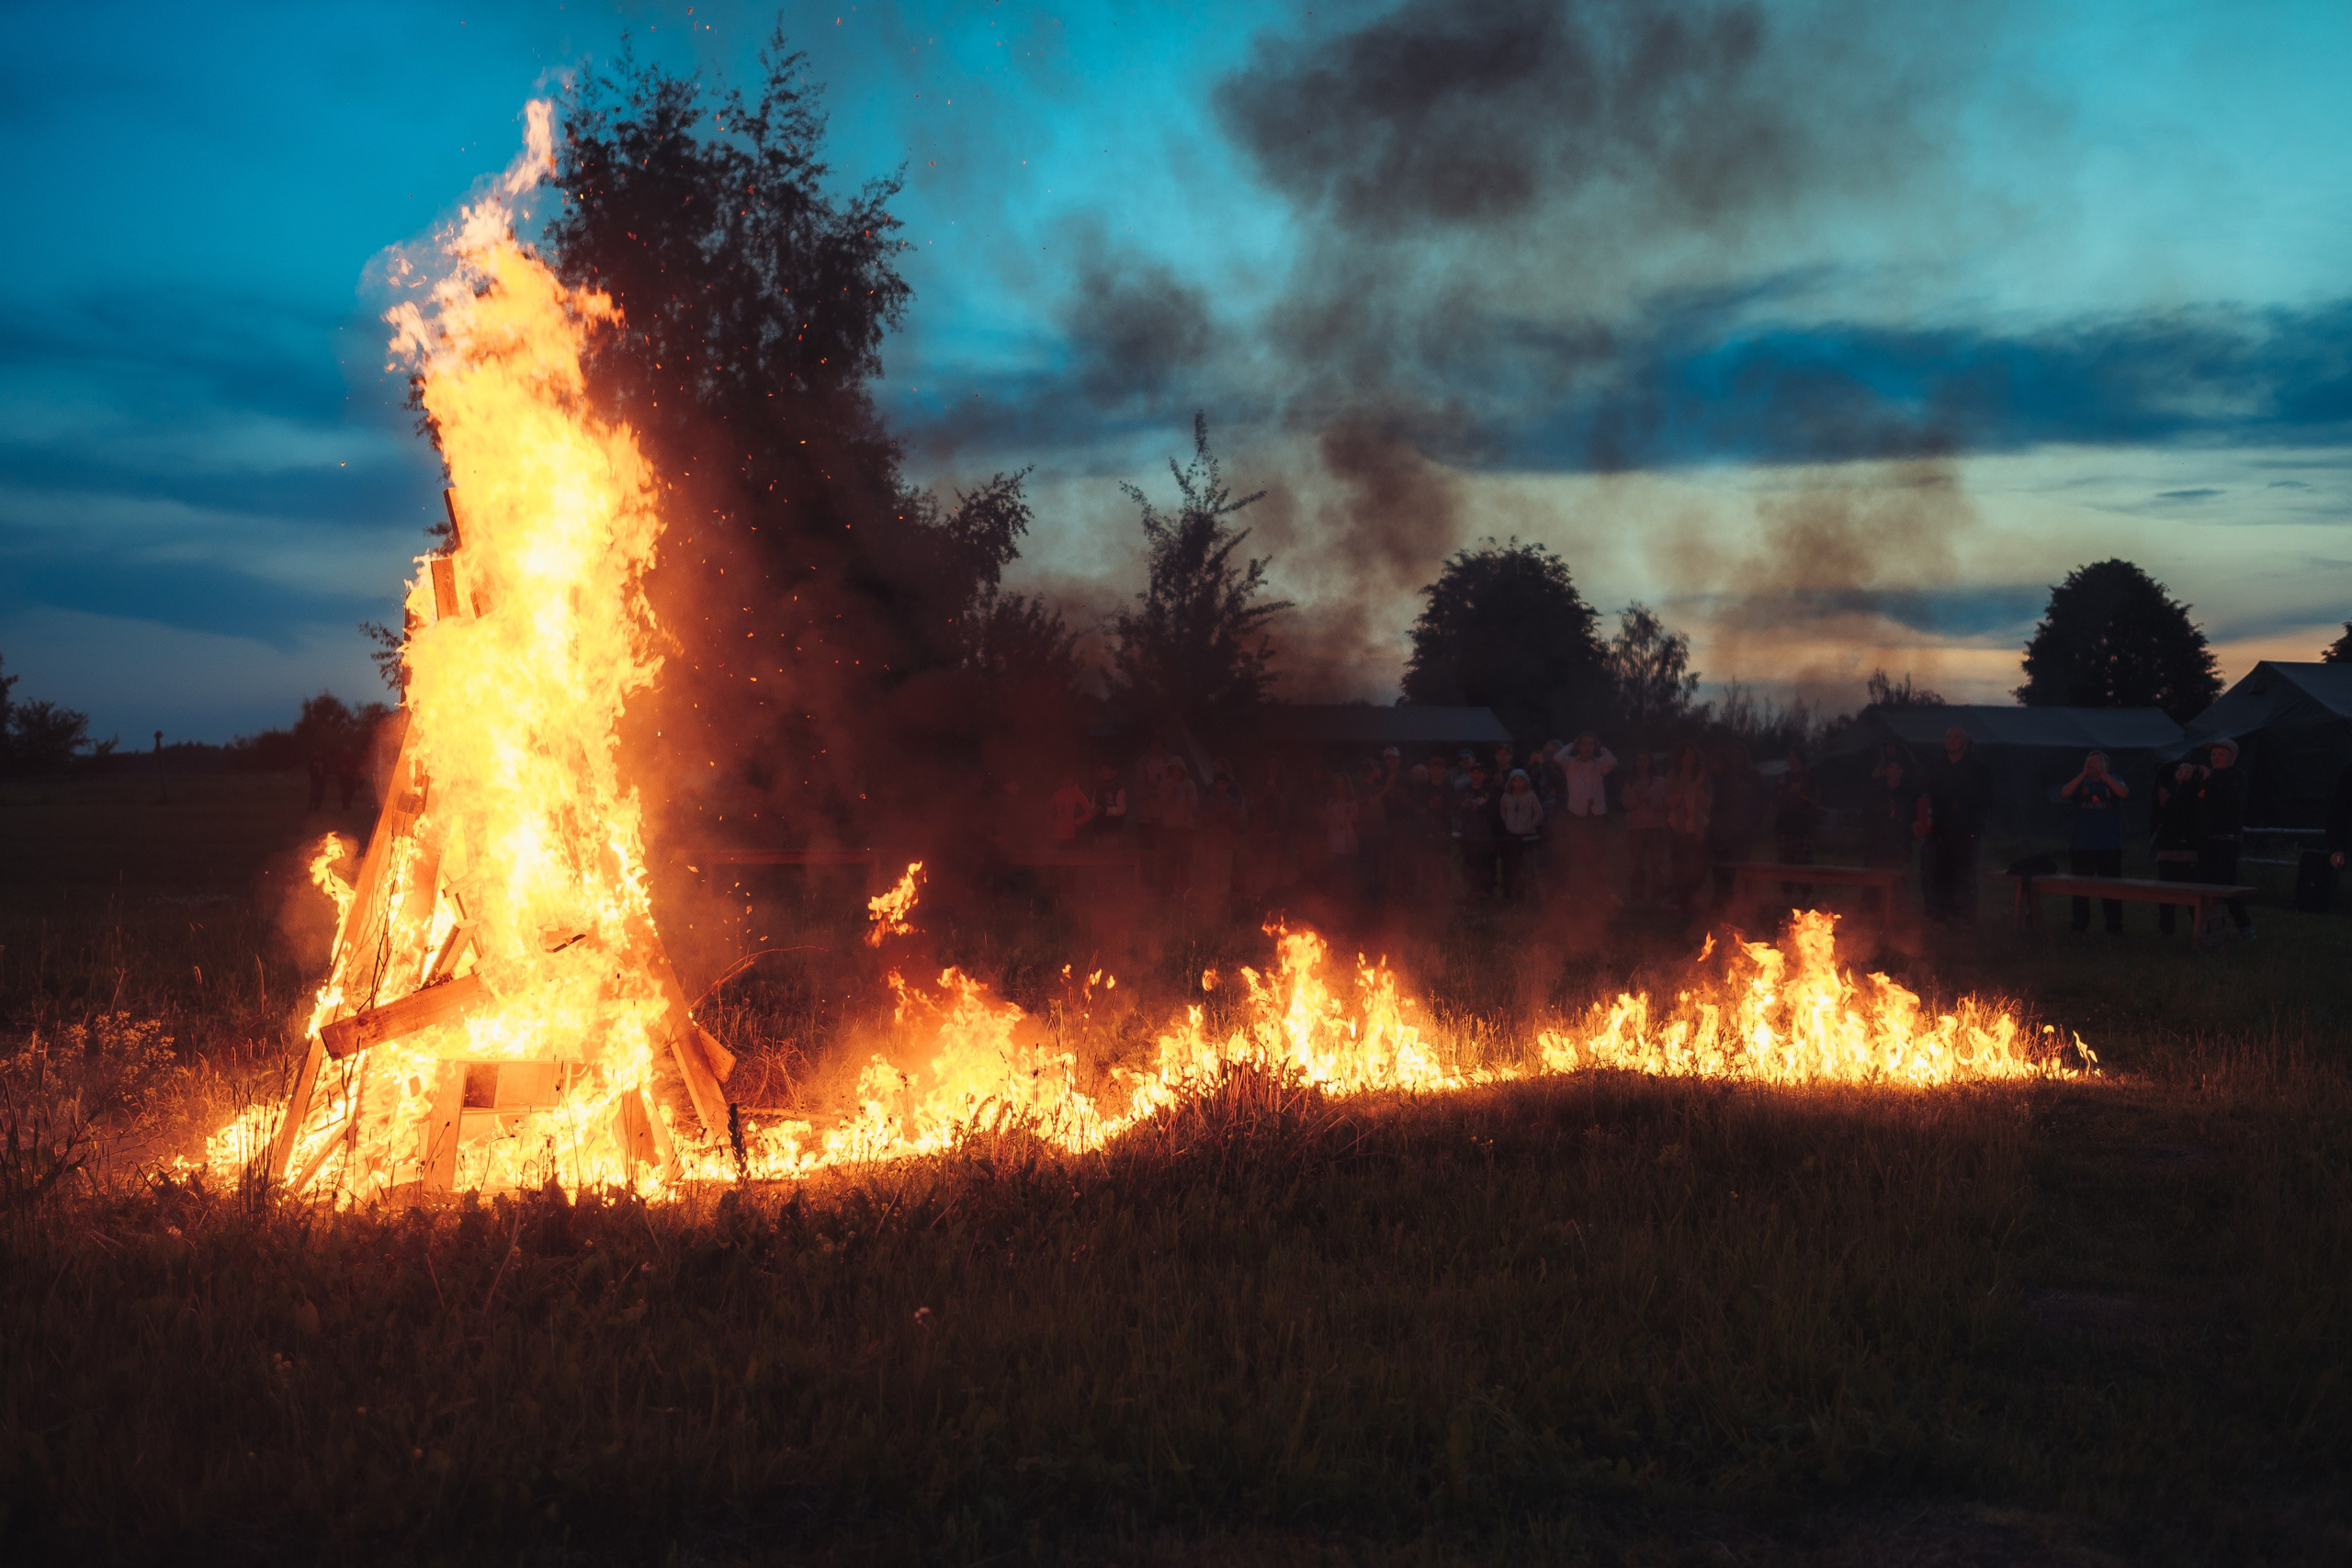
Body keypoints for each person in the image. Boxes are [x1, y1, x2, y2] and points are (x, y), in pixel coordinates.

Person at [1919, 727, 1993, 926]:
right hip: (1938, 831)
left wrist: (1971, 820)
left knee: (1964, 874)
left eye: (1956, 737)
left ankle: (1964, 917)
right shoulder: (1936, 766)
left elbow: (1986, 800)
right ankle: (1938, 916)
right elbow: (1926, 795)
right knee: (1936, 872)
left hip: (1964, 832)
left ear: (1965, 742)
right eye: (1949, 736)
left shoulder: (1977, 769)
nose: (1952, 740)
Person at [2058, 750, 2128, 935]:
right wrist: (2083, 773)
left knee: (2111, 889)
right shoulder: (2081, 782)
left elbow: (2123, 792)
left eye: (2096, 763)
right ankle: (2079, 927)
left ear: (2105, 765)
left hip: (2109, 845)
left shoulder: (2114, 780)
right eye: (2089, 763)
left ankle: (2114, 928)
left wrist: (2103, 774)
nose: (2092, 766)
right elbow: (2064, 793)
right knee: (2080, 889)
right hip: (2081, 845)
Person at [2192, 738, 2254, 941]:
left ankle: (2245, 927)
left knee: (2226, 884)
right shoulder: (2207, 777)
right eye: (2213, 754)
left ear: (2233, 757)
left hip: (2227, 839)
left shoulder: (2236, 776)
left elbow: (2230, 800)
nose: (2215, 758)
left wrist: (2210, 781)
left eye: (2220, 754)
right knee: (2205, 884)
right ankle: (2210, 929)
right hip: (2206, 839)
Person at [1557, 733, 1617, 902]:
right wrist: (1571, 744)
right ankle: (1586, 889)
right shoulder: (1570, 763)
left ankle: (1596, 889)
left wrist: (1601, 747)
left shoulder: (1599, 764)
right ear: (1579, 745)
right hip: (1578, 814)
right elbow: (1557, 758)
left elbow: (1613, 762)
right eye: (1584, 743)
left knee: (1597, 854)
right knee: (1581, 853)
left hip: (1597, 814)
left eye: (1591, 744)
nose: (1587, 747)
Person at [2151, 757, 2205, 938]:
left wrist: (2168, 803)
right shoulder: (2172, 789)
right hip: (2167, 847)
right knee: (2166, 892)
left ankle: (2201, 929)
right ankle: (2166, 929)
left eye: (2186, 768)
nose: (2182, 771)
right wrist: (2163, 805)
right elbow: (2164, 817)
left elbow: (2185, 811)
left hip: (2186, 848)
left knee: (2191, 892)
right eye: (2180, 769)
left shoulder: (2194, 789)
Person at [1666, 746, 1713, 911]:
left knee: (1698, 867)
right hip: (1678, 828)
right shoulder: (1673, 776)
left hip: (1697, 828)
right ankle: (1682, 902)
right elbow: (1670, 804)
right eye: (1685, 753)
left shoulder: (1703, 777)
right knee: (1679, 867)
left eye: (1692, 753)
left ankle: (1694, 901)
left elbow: (1707, 806)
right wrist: (1682, 785)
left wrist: (1698, 786)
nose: (1689, 757)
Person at [1772, 748, 1820, 905]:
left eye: (1794, 756)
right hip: (1785, 826)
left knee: (1804, 864)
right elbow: (1775, 798)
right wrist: (1780, 788)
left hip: (1803, 828)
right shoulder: (1784, 777)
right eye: (1789, 756)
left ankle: (1806, 896)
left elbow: (1814, 800)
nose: (1791, 759)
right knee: (1785, 863)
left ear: (1801, 758)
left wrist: (1800, 794)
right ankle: (1787, 896)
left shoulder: (1808, 777)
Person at [1622, 750, 1669, 905]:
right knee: (1636, 864)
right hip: (1635, 829)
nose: (1642, 763)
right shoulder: (1631, 782)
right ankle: (1637, 897)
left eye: (1645, 760)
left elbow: (1663, 805)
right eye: (1639, 760)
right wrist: (1636, 794)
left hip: (1655, 828)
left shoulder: (1659, 782)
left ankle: (1658, 896)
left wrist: (1646, 798)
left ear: (1650, 763)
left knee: (1656, 864)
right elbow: (1628, 805)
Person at [1865, 742, 1920, 869]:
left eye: (1898, 768)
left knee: (1896, 877)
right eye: (1891, 767)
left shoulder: (1907, 794)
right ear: (1885, 771)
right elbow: (1867, 818)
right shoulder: (1877, 793)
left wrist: (1906, 836)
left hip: (1899, 848)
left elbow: (1912, 819)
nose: (1895, 770)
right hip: (1877, 848)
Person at [1498, 767, 1544, 900]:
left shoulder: (1530, 796)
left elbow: (1539, 813)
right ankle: (1519, 895)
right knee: (1515, 866)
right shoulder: (1506, 796)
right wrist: (1508, 823)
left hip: (1527, 837)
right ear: (1511, 782)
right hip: (1513, 837)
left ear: (1525, 782)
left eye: (1521, 781)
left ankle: (1534, 897)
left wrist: (1530, 826)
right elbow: (1503, 810)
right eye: (1515, 781)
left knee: (1528, 866)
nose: (1518, 784)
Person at [1197, 772, 1243, 903]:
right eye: (1219, 784)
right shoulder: (1209, 801)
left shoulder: (1232, 802)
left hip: (1227, 844)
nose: (1221, 787)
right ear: (1215, 785)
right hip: (1213, 843)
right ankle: (1211, 902)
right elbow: (1205, 820)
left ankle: (1222, 902)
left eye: (1224, 784)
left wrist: (1228, 815)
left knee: (1225, 876)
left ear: (1227, 785)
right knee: (1212, 873)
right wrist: (1219, 813)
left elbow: (1238, 823)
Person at [1455, 761, 1498, 898]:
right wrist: (1463, 807)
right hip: (1468, 833)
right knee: (1469, 862)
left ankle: (1486, 891)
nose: (1476, 775)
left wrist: (1481, 809)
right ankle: (1470, 890)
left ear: (1484, 775)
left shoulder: (1490, 792)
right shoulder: (1464, 791)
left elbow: (1495, 812)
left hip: (1485, 834)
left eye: (1479, 772)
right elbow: (1456, 811)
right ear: (1469, 774)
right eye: (1473, 772)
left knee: (1486, 863)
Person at [1046, 771, 1095, 846]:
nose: (1066, 781)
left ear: (1073, 779)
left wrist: (1077, 823)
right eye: (1064, 779)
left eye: (1069, 778)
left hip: (1073, 835)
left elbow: (1090, 812)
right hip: (1056, 835)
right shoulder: (1056, 795)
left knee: (1072, 853)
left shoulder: (1078, 794)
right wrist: (1052, 823)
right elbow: (1048, 811)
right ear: (1060, 780)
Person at [1090, 765, 1127, 845]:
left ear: (1113, 772)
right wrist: (1093, 810)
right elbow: (1093, 805)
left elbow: (1121, 809)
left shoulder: (1119, 789)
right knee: (1098, 852)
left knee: (1111, 852)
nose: (1103, 773)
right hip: (1099, 829)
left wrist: (1104, 809)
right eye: (1102, 770)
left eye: (1106, 770)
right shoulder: (1099, 788)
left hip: (1113, 830)